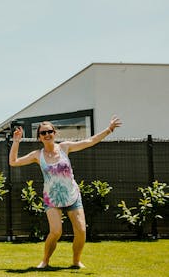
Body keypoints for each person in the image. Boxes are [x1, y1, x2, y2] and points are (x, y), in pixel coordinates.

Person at [9, 115, 122, 269]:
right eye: (43, 133)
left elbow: (89, 142)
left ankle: (76, 261)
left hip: (72, 195)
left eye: (49, 131)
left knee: (81, 230)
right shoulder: (38, 155)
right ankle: (45, 260)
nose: (47, 134)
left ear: (55, 133)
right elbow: (13, 162)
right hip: (52, 198)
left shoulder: (64, 147)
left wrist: (109, 130)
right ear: (40, 138)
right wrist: (16, 142)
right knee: (56, 232)